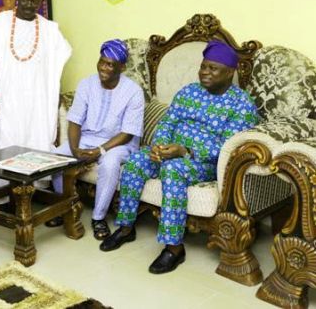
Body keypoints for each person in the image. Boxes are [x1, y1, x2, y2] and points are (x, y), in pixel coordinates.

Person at [99, 40, 259, 274]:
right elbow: (167, 122)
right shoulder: (188, 92)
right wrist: (159, 146)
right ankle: (125, 228)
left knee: (173, 169)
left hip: (204, 163)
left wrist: (185, 151)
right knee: (135, 163)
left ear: (230, 72)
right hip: (170, 152)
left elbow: (228, 147)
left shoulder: (242, 104)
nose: (205, 72)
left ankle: (174, 248)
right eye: (203, 66)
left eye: (213, 68)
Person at [0, 0, 72, 196]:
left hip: (36, 102)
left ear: (41, 1)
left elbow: (56, 65)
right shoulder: (0, 23)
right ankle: (5, 194)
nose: (28, 5)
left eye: (34, 1)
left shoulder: (49, 29)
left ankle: (31, 194)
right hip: (6, 98)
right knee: (5, 142)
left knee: (34, 142)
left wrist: (53, 100)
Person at [46, 39, 144, 241]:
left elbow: (127, 133)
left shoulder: (133, 92)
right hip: (87, 138)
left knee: (109, 163)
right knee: (55, 157)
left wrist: (99, 151)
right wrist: (74, 149)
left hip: (120, 143)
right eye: (102, 62)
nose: (104, 68)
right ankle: (64, 208)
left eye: (110, 65)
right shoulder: (86, 84)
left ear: (122, 67)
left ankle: (98, 218)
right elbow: (75, 120)